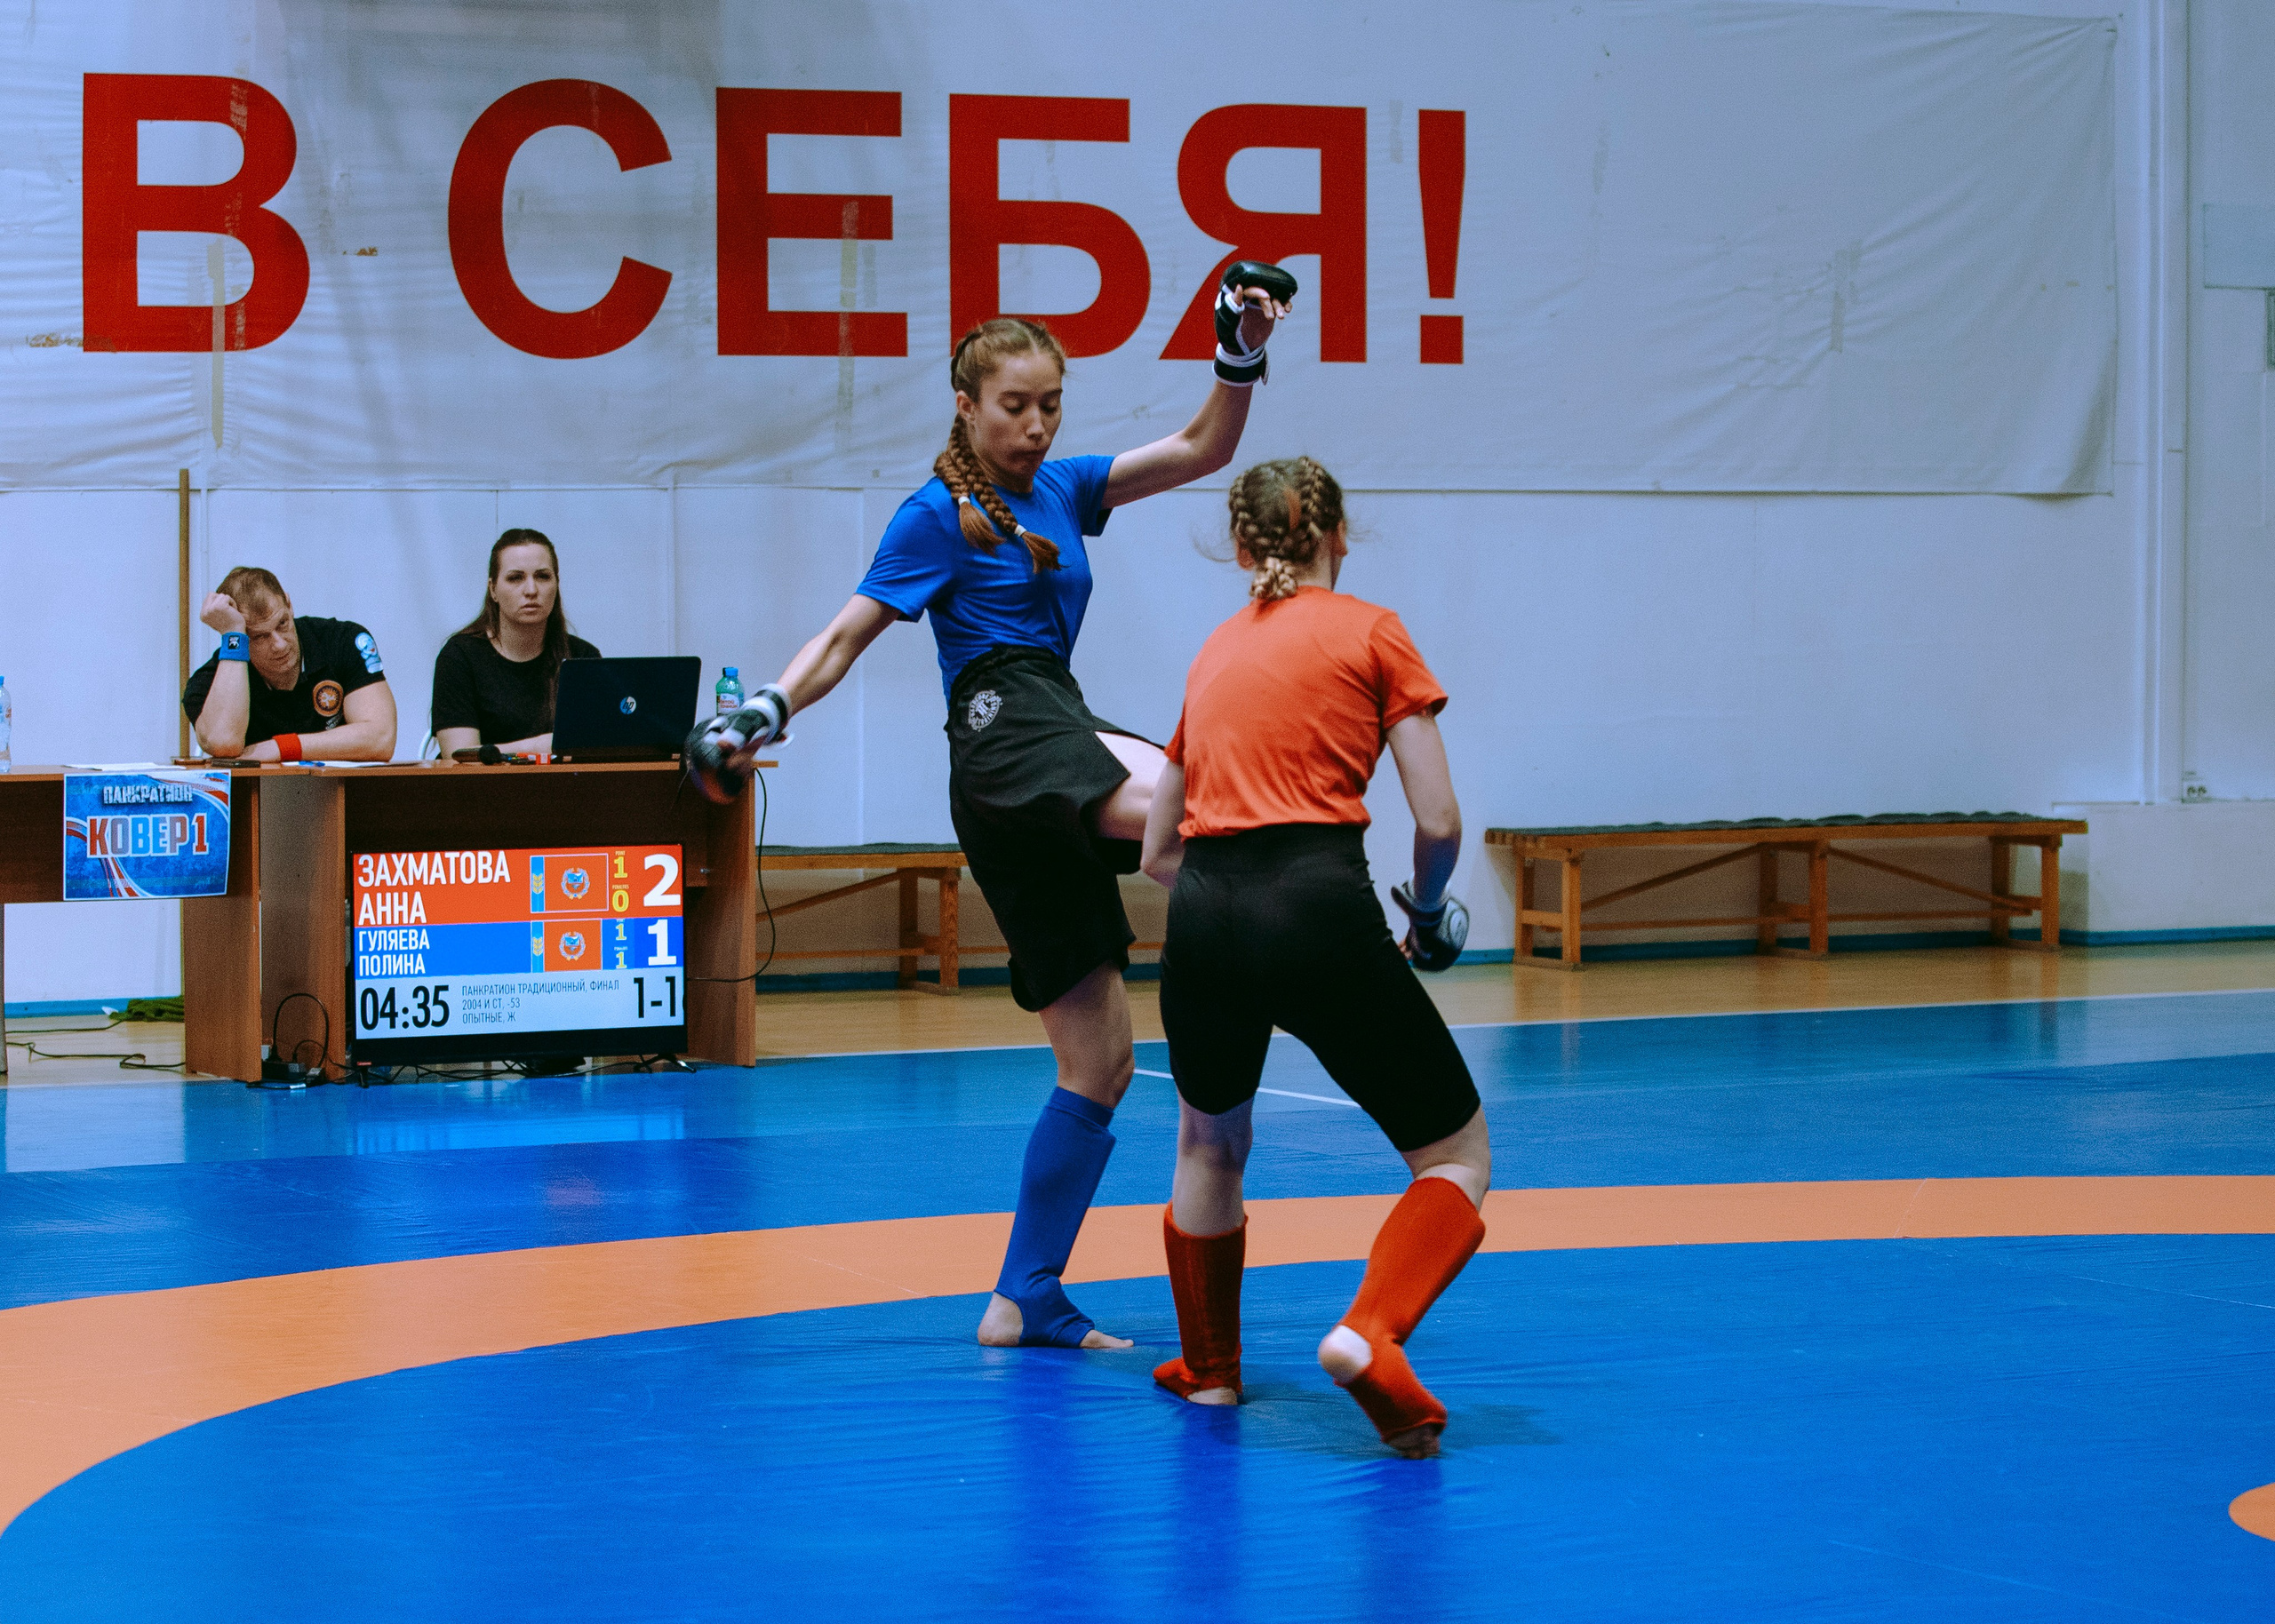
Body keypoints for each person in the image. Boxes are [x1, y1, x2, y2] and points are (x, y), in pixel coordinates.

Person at [690, 264, 1299, 1349]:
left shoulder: (1065, 489)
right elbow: (845, 635)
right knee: (1198, 797)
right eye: (1013, 405)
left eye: (1050, 404)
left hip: (1044, 737)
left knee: (1100, 1061)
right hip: (1003, 730)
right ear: (965, 405)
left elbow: (1207, 448)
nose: (1034, 424)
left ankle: (1022, 1295)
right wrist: (768, 708)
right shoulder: (935, 514)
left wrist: (1235, 348)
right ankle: (1293, 942)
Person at [1138, 456, 1488, 1458]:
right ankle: (1368, 1334)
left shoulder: (1212, 654)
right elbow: (1437, 816)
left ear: (1242, 548)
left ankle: (1209, 1374)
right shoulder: (1372, 630)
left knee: (1209, 1143)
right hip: (1318, 901)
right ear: (1338, 534)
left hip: (1202, 911)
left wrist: (1229, 910)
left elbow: (1159, 849)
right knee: (1455, 1155)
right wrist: (1424, 912)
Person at [183, 566, 397, 761]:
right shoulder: (211, 682)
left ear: (289, 603)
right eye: (259, 637)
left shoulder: (341, 640)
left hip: (343, 795)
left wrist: (281, 747)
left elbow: (381, 738)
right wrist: (232, 635)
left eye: (282, 623)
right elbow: (224, 743)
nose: (279, 644)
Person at [431, 529, 600, 756]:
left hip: (562, 788)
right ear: (493, 590)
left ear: (557, 585)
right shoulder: (460, 656)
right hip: (481, 789)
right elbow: (459, 756)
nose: (531, 590)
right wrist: (537, 748)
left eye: (542, 576)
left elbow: (596, 747)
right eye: (515, 578)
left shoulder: (582, 656)